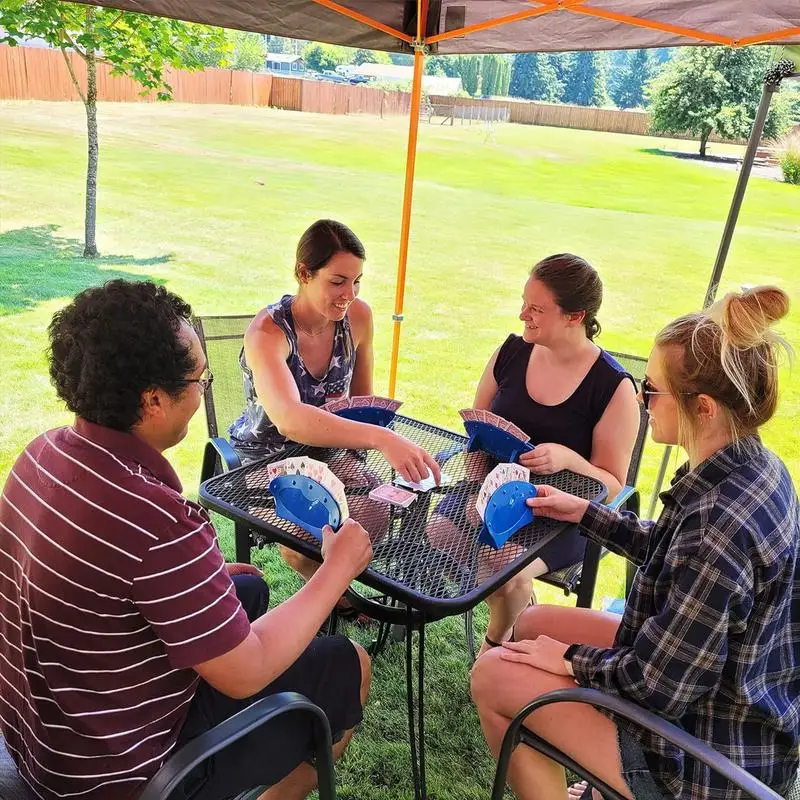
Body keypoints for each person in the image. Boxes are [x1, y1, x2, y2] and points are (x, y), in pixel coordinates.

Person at [0, 279, 373, 800]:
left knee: (249, 589)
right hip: (116, 773)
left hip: (48, 734)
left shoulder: (41, 455)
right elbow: (248, 673)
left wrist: (208, 580)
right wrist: (337, 570)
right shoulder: (158, 520)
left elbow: (106, 583)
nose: (203, 390)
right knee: (349, 662)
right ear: (153, 400)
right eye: (200, 379)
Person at [470, 286, 799, 800]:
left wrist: (569, 660)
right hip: (721, 700)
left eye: (653, 390)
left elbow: (657, 685)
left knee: (493, 677)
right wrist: (586, 512)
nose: (645, 402)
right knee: (530, 622)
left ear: (704, 407)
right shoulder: (751, 465)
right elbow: (677, 555)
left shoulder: (721, 523)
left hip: (705, 760)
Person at [428, 254, 640, 655]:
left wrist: (568, 459)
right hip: (490, 493)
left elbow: (612, 486)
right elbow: (477, 431)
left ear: (575, 316)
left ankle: (496, 647)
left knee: (507, 571)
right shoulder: (511, 352)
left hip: (561, 516)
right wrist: (477, 490)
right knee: (439, 531)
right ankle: (521, 611)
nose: (522, 314)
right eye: (524, 301)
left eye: (536, 308)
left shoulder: (613, 388)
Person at [229, 219, 440, 593]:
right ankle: (334, 596)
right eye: (338, 281)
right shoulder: (268, 333)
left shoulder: (359, 318)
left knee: (377, 510)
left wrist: (371, 441)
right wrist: (380, 440)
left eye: (357, 281)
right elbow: (289, 420)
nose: (350, 294)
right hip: (271, 457)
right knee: (304, 536)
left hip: (331, 451)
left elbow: (363, 402)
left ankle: (335, 587)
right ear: (303, 273)